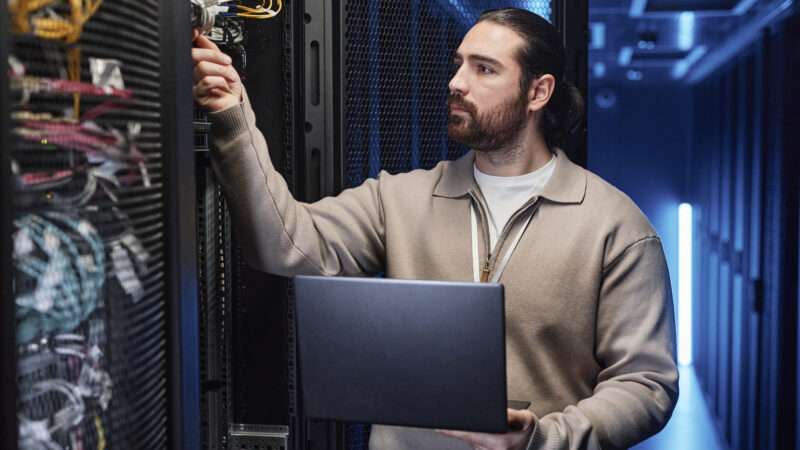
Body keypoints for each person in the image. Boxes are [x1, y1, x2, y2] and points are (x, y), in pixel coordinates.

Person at [192, 7, 678, 450]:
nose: (456, 82)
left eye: (484, 68)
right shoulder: (399, 200)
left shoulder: (614, 226)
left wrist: (546, 438)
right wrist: (231, 115)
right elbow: (283, 242)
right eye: (459, 63)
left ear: (538, 92)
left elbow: (646, 385)